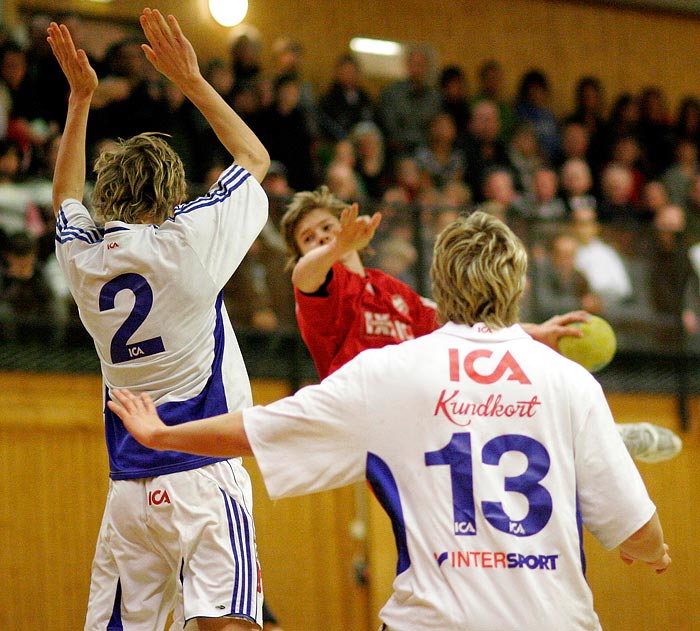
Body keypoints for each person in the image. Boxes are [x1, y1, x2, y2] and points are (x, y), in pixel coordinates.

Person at [108, 210, 672, 631]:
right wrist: (649, 550)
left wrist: (161, 434)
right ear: (520, 286)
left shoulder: (389, 367)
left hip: (431, 614)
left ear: (441, 284)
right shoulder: (569, 380)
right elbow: (640, 535)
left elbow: (259, 428)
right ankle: (580, 446)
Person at [49, 9, 270, 631]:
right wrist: (193, 81)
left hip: (127, 488)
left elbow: (65, 197)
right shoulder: (190, 239)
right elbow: (253, 155)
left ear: (107, 193)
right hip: (203, 470)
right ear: (173, 199)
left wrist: (80, 99)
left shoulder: (83, 258)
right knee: (227, 622)